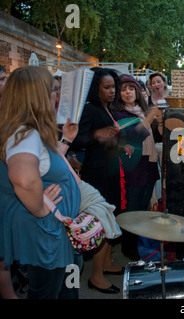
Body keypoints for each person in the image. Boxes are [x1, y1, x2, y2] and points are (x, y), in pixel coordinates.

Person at [0, 66, 82, 299]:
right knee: (48, 291)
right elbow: (24, 179)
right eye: (55, 90)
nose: (58, 95)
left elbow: (46, 164)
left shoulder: (28, 131)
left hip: (59, 233)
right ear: (39, 95)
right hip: (48, 235)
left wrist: (66, 139)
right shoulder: (24, 133)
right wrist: (39, 208)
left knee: (68, 285)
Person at [71, 67, 122, 294]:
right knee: (102, 220)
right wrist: (95, 134)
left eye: (114, 87)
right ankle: (96, 276)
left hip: (110, 168)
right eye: (107, 87)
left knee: (111, 216)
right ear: (96, 88)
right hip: (96, 171)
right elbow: (75, 139)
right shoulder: (90, 110)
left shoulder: (107, 107)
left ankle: (107, 263)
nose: (113, 91)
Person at [111, 74, 162, 259]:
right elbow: (134, 135)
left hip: (148, 164)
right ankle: (129, 248)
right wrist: (150, 117)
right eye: (123, 90)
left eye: (130, 88)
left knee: (143, 208)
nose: (127, 92)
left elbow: (154, 134)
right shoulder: (118, 113)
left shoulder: (141, 109)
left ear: (136, 91)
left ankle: (140, 243)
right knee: (132, 209)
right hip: (133, 169)